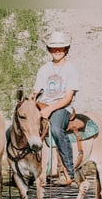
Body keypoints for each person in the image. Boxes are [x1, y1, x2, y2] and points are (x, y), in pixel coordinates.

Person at [29, 31, 79, 185]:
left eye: (61, 48)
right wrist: (30, 100)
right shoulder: (44, 69)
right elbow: (36, 90)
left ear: (66, 49)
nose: (57, 51)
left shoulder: (71, 69)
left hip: (62, 106)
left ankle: (69, 172)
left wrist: (50, 109)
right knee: (22, 126)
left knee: (57, 129)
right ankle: (23, 169)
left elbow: (68, 97)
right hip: (43, 104)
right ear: (49, 50)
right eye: (53, 48)